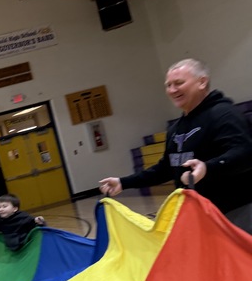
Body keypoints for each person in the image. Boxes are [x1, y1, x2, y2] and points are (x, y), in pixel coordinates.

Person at [99, 58, 252, 234]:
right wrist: (123, 182)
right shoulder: (176, 128)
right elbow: (165, 169)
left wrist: (207, 168)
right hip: (201, 217)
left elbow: (245, 154)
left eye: (179, 83)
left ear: (202, 82)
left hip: (237, 212)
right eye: (168, 85)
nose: (172, 90)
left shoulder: (224, 114)